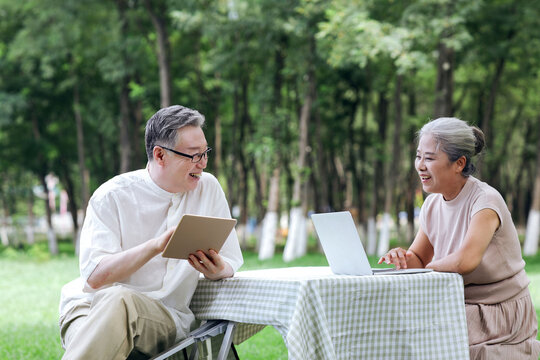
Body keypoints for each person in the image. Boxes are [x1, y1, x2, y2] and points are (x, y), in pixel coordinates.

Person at [58, 105, 243, 359]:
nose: (202, 164)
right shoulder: (111, 196)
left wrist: (219, 269)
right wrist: (156, 246)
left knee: (119, 302)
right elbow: (94, 277)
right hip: (87, 307)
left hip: (163, 317)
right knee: (109, 313)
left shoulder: (208, 188)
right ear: (160, 155)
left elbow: (232, 258)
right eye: (193, 155)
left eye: (205, 153)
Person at [378, 117, 540, 359]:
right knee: (392, 330)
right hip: (460, 305)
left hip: (497, 311)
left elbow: (466, 261)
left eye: (430, 158)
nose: (420, 165)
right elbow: (420, 259)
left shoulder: (485, 200)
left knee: (413, 339)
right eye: (418, 156)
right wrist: (402, 258)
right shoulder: (432, 203)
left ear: (459, 163)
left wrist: (426, 269)